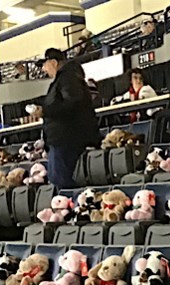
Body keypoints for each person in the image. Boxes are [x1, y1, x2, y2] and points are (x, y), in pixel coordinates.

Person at [38, 48, 99, 189]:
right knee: (59, 181)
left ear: (53, 62)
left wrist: (45, 111)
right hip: (63, 140)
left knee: (63, 184)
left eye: (44, 64)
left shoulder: (68, 78)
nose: (43, 69)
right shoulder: (65, 78)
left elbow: (73, 104)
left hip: (66, 140)